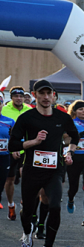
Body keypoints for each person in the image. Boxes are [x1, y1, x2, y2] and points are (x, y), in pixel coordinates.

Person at [8, 80, 79, 247]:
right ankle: (26, 231)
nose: (46, 97)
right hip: (32, 170)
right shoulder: (27, 118)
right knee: (28, 210)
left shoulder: (62, 118)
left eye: (49, 93)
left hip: (54, 171)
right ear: (34, 95)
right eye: (42, 94)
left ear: (54, 95)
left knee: (55, 206)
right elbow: (13, 145)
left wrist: (69, 151)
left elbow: (74, 136)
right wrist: (34, 142)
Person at [2, 86, 32, 220]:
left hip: (26, 148)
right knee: (10, 179)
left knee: (26, 175)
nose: (19, 98)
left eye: (21, 96)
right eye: (15, 96)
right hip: (10, 150)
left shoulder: (30, 109)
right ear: (11, 97)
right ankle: (10, 204)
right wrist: (13, 148)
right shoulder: (5, 110)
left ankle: (25, 201)